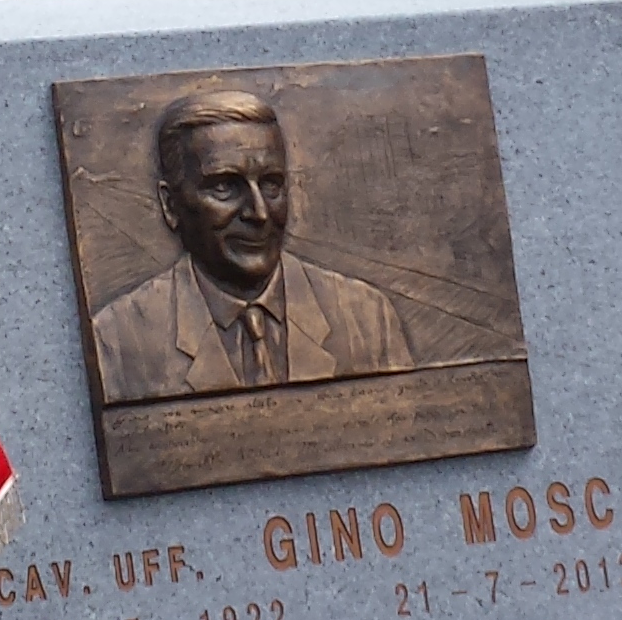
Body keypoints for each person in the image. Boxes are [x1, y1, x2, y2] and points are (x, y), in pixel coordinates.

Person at [86, 88, 415, 402]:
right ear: (171, 205)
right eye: (226, 188)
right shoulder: (115, 340)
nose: (258, 213)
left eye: (271, 185)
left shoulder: (369, 319)